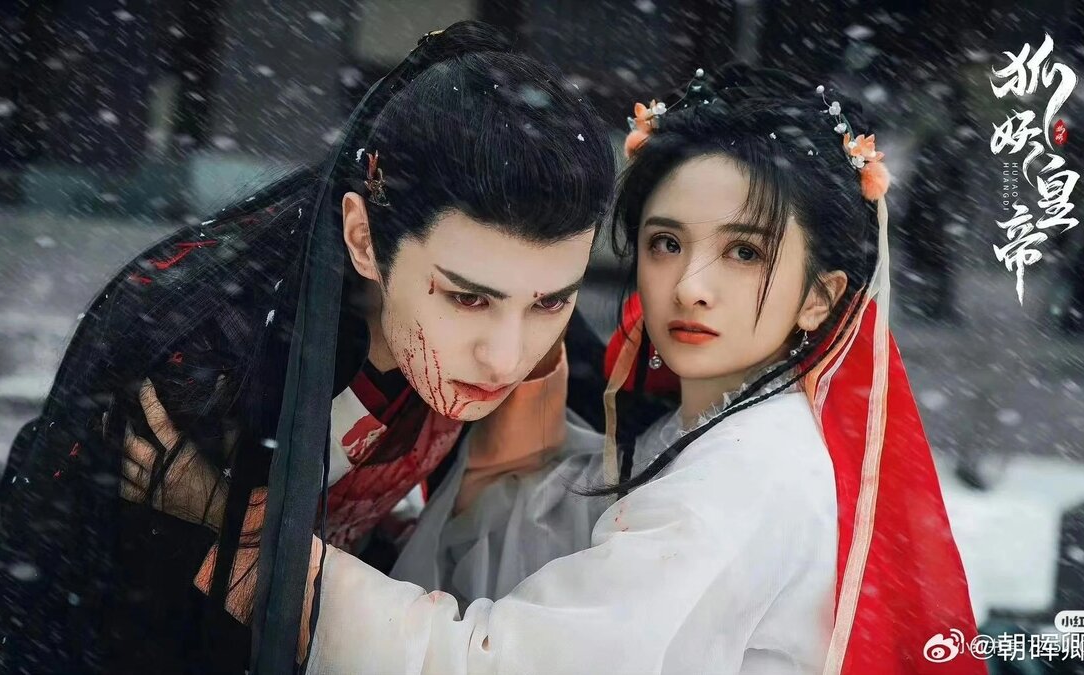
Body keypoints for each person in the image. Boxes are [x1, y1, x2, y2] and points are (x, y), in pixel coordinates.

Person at [132, 65, 985, 673]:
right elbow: (580, 537)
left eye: (745, 252)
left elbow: (487, 661)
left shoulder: (748, 474)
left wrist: (237, 519)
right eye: (666, 242)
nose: (691, 284)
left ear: (820, 297)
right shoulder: (721, 426)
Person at [0, 21, 615, 675]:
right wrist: (231, 522)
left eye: (551, 303)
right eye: (468, 299)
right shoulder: (216, 361)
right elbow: (122, 619)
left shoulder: (503, 301)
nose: (507, 357)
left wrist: (239, 518)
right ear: (364, 239)